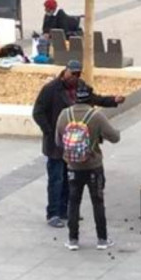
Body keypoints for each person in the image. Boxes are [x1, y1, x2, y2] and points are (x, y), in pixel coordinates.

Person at [32, 60, 125, 228]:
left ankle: (64, 210)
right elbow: (38, 112)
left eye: (78, 74)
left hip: (75, 144)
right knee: (56, 178)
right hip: (57, 144)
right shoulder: (50, 89)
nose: (75, 77)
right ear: (65, 71)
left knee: (68, 178)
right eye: (72, 73)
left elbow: (94, 98)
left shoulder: (81, 86)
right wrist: (50, 131)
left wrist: (113, 100)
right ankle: (53, 213)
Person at [56, 85, 120, 251]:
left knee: (74, 202)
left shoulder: (64, 115)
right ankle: (102, 239)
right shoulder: (96, 116)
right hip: (93, 166)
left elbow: (58, 142)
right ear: (90, 99)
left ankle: (73, 239)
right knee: (97, 202)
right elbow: (114, 137)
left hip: (72, 166)